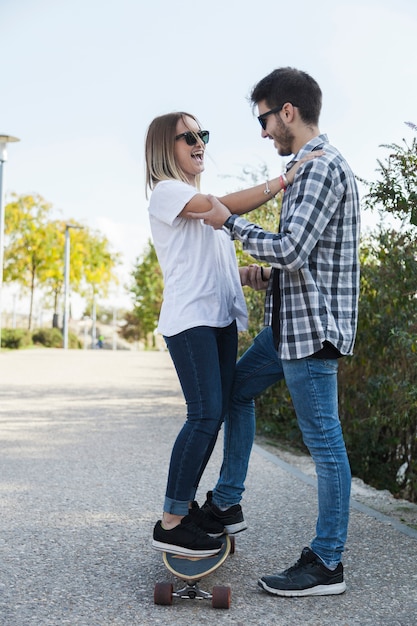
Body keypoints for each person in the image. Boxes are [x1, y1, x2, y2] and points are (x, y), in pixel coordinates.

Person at [189, 67, 360, 596]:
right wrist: (261, 276)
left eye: (264, 119)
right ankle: (228, 501)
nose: (263, 131)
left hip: (311, 335)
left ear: (287, 111)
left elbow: (291, 249)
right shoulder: (310, 166)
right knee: (236, 392)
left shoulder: (320, 168)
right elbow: (304, 260)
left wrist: (228, 221)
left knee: (325, 445)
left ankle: (326, 562)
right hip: (289, 327)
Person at [146, 111, 318, 558]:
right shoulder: (167, 193)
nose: (199, 142)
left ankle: (185, 511)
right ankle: (170, 521)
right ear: (166, 147)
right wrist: (283, 180)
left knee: (216, 412)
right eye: (188, 137)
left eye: (202, 134)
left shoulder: (197, 201)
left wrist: (250, 273)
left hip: (218, 318)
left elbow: (209, 263)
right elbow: (225, 211)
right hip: (191, 322)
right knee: (204, 414)